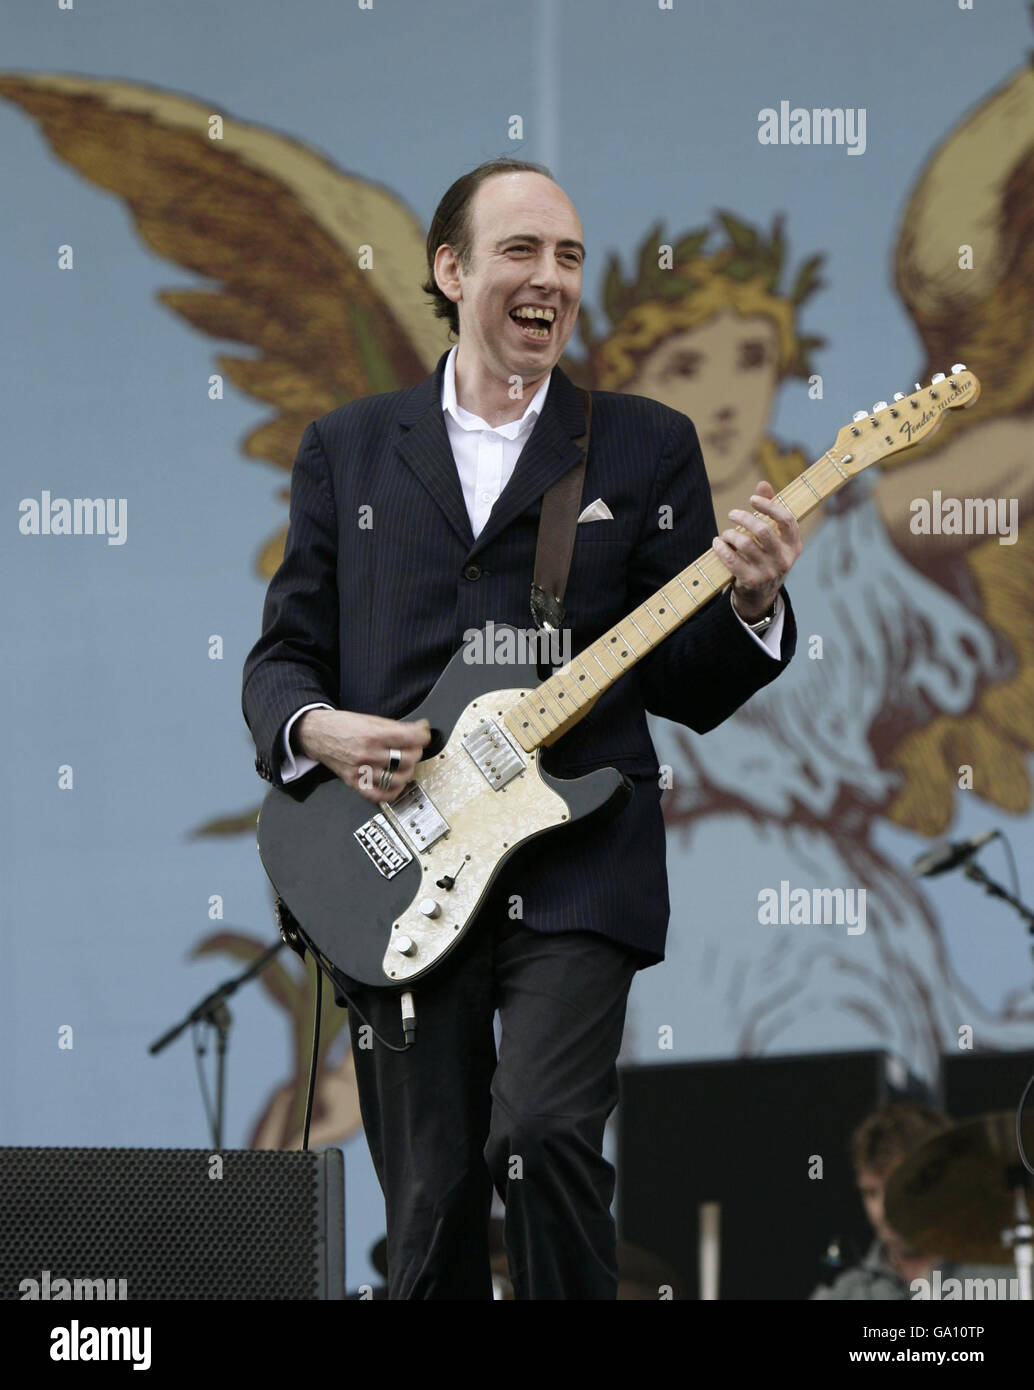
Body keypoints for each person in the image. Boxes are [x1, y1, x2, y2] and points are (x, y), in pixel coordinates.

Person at [242, 157, 801, 1299]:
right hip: (392, 863)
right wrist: (322, 729)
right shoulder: (347, 446)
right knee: (433, 1198)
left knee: (542, 1132)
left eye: (569, 257)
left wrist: (749, 602)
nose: (550, 277)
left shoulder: (641, 443)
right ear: (449, 271)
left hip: (576, 849)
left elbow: (688, 682)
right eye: (519, 251)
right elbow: (280, 658)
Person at [811, 1102, 1016, 1299]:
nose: (883, 1210)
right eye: (871, 1193)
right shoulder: (842, 1293)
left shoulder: (1007, 1277)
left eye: (897, 1189)